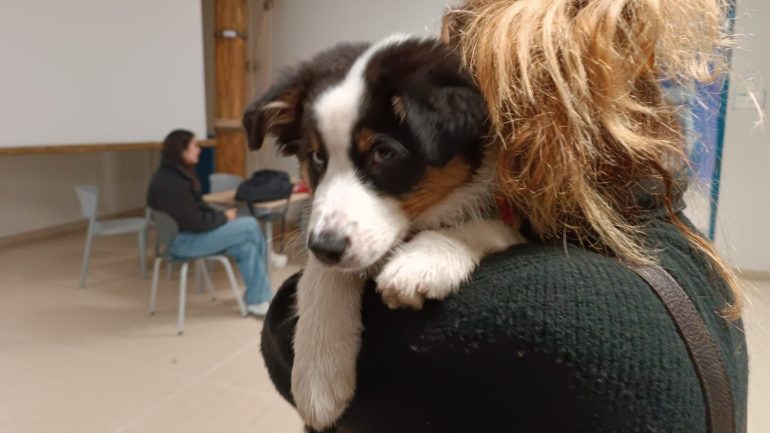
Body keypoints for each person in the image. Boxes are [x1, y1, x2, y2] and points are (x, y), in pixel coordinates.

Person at [259, 0, 748, 432]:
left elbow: (283, 339)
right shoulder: (687, 248)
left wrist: (458, 244)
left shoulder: (532, 308)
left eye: (484, 121)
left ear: (509, 129)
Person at [147, 129, 272, 316]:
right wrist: (224, 218)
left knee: (246, 246)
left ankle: (256, 299)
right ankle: (265, 277)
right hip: (183, 243)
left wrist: (219, 215)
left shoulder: (172, 174)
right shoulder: (172, 183)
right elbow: (196, 223)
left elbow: (195, 209)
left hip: (184, 237)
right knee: (250, 225)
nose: (199, 150)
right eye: (194, 146)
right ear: (181, 151)